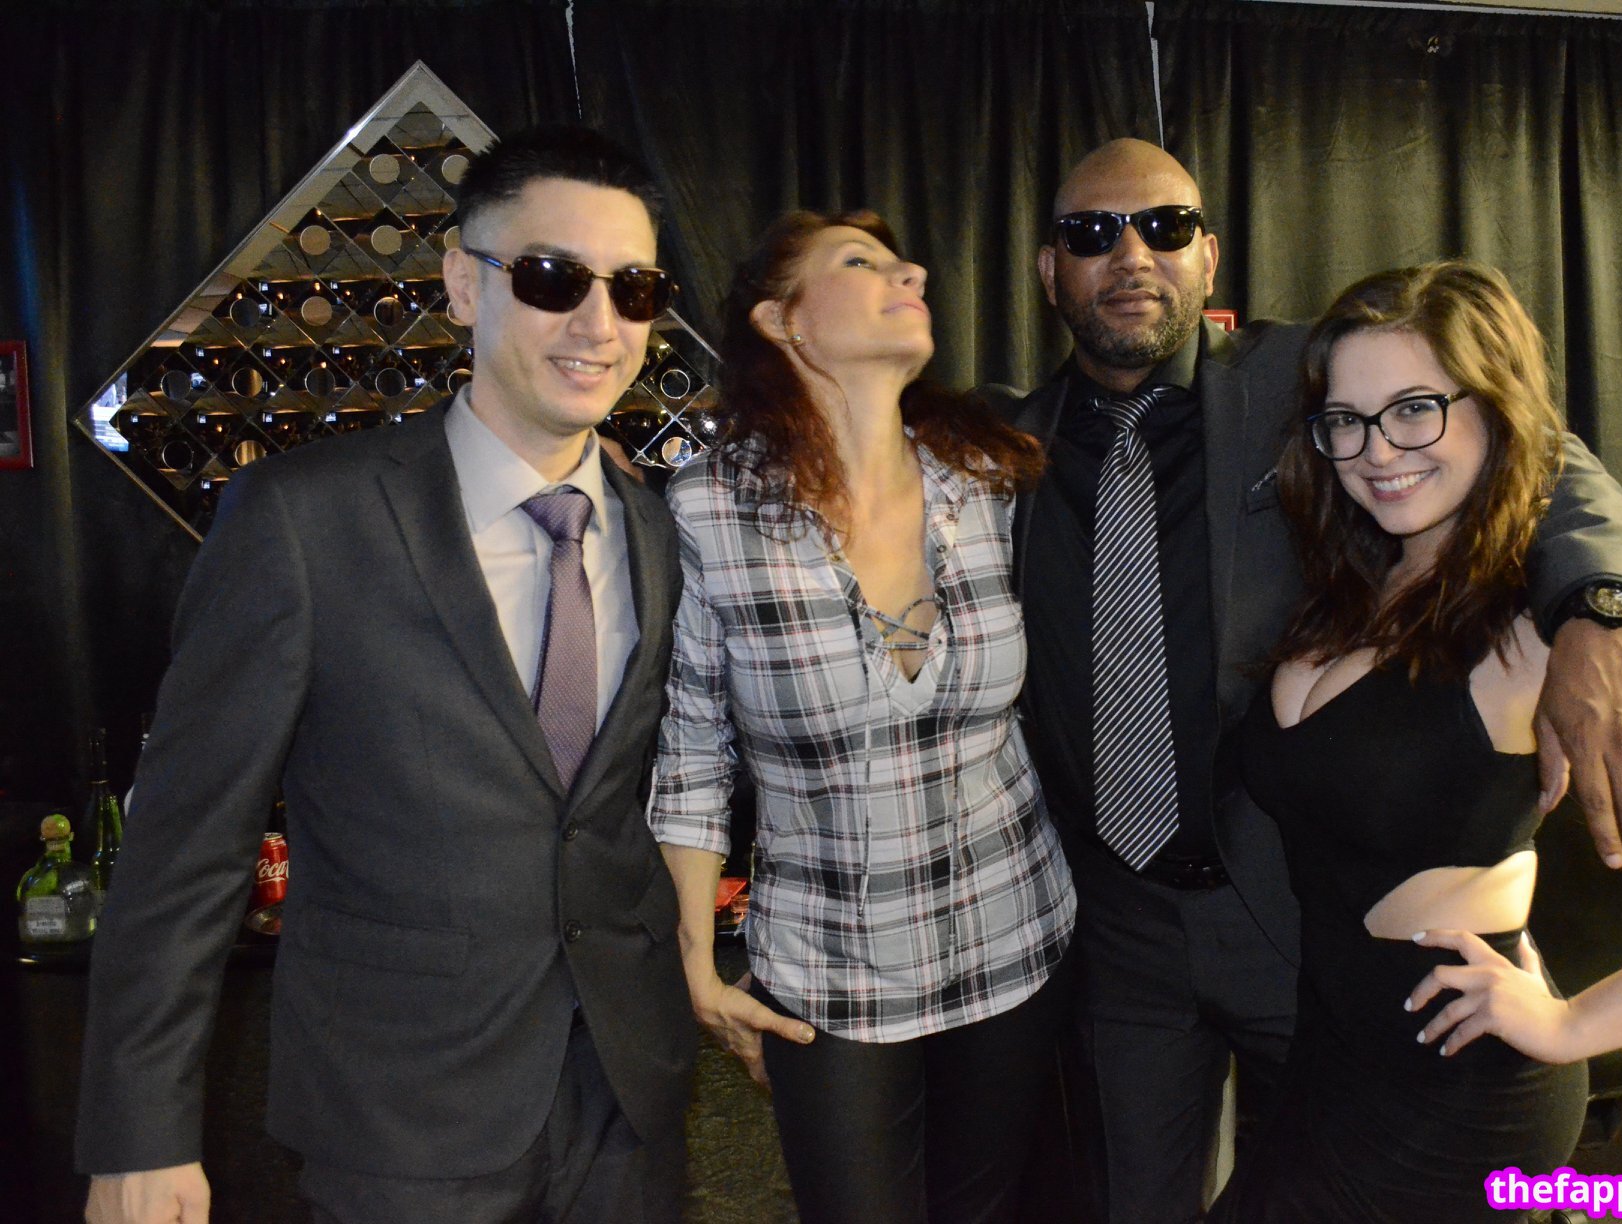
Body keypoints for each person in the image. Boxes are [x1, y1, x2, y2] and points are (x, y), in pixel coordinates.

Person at [995, 138, 1622, 1224]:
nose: (1131, 254)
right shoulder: (1005, 444)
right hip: (1120, 931)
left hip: (1305, 911)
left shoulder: (1301, 379)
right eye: (1092, 234)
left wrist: (1604, 612)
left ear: (1208, 256)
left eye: (1165, 227)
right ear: (1051, 271)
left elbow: (1538, 453)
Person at [76, 126, 695, 1224]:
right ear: (463, 283)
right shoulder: (306, 520)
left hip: (623, 1100)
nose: (600, 325)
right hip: (399, 1112)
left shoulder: (653, 531)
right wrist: (140, 1133)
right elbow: (186, 847)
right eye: (554, 278)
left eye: (633, 288)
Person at [1218, 258, 1622, 1222]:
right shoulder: (1350, 587)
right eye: (1346, 420)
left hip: (1458, 1093)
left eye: (1416, 409)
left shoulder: (1548, 627)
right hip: (1330, 1064)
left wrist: (1572, 1025)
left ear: (1497, 409)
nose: (1377, 450)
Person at [648, 209, 1075, 1224]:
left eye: (904, 261)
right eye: (861, 262)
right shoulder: (710, 508)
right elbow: (693, 751)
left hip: (1014, 937)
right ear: (782, 321)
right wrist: (694, 960)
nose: (912, 272)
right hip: (831, 972)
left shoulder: (990, 479)